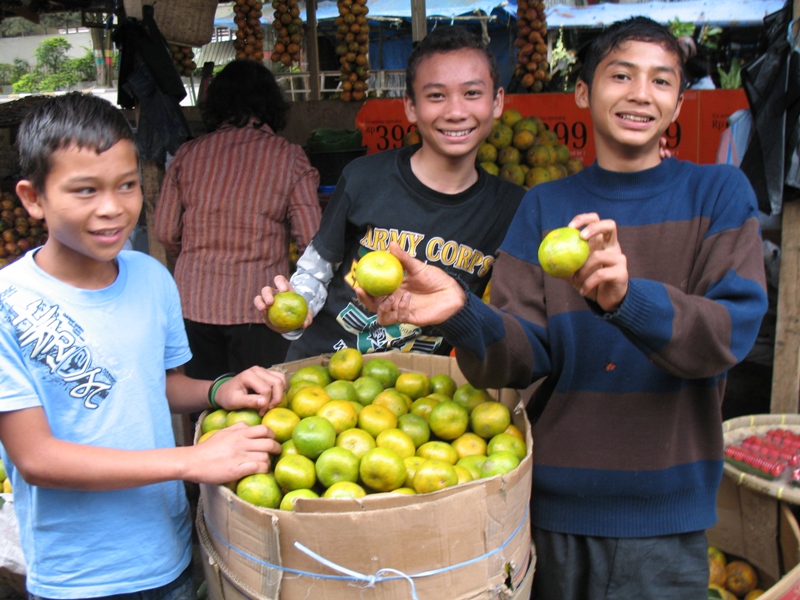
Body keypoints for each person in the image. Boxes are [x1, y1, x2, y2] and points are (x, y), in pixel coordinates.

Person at [356, 17, 769, 600]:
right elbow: (526, 354)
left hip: (664, 515)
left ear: (678, 103)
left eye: (661, 81)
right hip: (550, 507)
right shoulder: (547, 205)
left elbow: (728, 334)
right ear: (582, 92)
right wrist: (460, 311)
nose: (639, 94)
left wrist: (628, 300)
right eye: (620, 75)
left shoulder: (718, 195)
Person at [0, 92, 285, 598]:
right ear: (33, 198)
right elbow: (36, 459)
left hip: (167, 552)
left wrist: (221, 389)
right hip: (79, 576)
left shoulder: (152, 278)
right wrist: (189, 462)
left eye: (126, 185)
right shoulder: (9, 304)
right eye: (84, 190)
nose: (112, 208)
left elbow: (154, 386)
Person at [254, 25, 526, 360]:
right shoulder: (365, 177)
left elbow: (510, 315)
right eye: (436, 95)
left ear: (497, 102)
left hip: (420, 392)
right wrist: (292, 316)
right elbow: (317, 268)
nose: (456, 112)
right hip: (325, 369)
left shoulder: (513, 207)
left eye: (472, 93)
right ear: (410, 106)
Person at [155, 60, 321, 378]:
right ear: (271, 105)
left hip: (192, 306)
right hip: (260, 312)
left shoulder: (188, 155)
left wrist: (193, 259)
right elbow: (311, 240)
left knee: (207, 409)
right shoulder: (289, 157)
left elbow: (164, 232)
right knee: (262, 407)